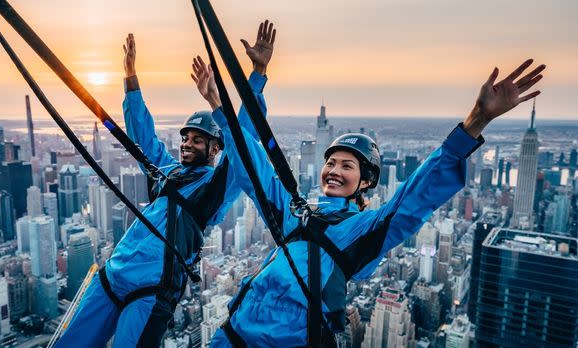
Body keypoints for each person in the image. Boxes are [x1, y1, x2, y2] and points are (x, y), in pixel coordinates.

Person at [190, 56, 545, 346]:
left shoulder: (362, 230)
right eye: (331, 162)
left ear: (367, 182)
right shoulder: (295, 213)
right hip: (230, 335)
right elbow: (254, 167)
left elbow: (415, 197)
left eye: (347, 166)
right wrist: (219, 106)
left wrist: (477, 120)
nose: (334, 170)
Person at [55, 21, 276, 347]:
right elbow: (143, 136)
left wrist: (256, 75)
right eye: (185, 137)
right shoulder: (167, 171)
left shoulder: (216, 186)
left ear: (216, 148)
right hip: (113, 274)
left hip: (151, 289)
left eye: (198, 139)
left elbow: (243, 142)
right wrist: (130, 76)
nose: (187, 143)